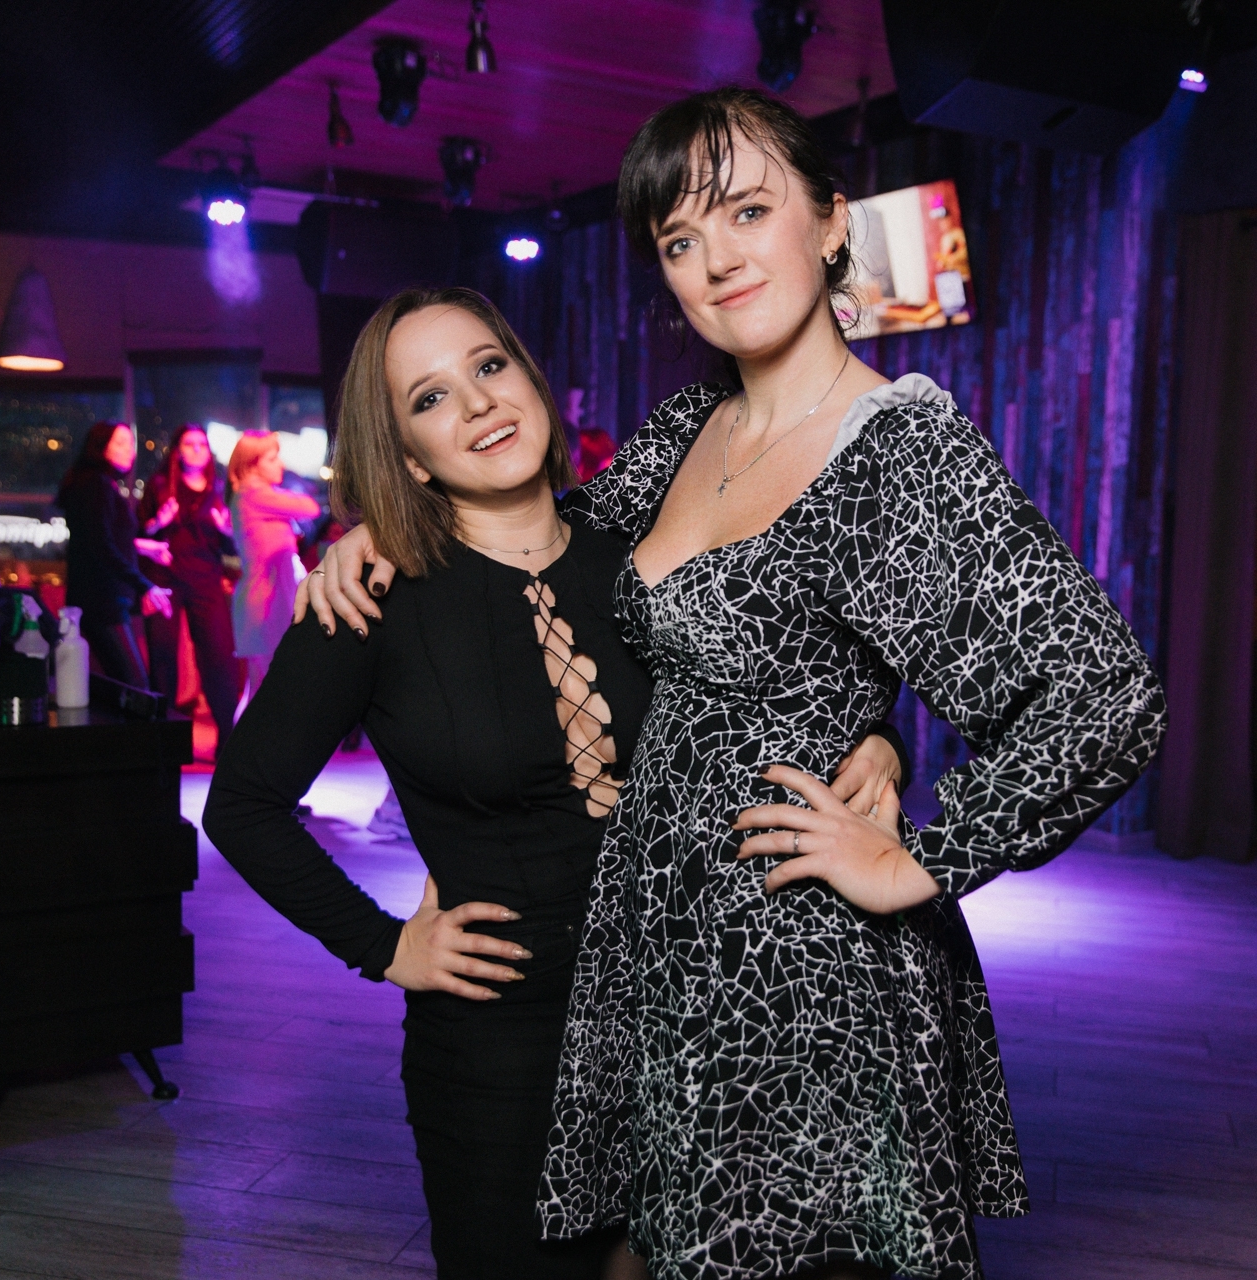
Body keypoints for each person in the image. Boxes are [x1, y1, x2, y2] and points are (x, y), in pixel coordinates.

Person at [304, 89, 1167, 1280]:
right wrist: (387, 529)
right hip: (663, 962)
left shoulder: (902, 451)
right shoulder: (688, 429)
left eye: (749, 211)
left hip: (798, 967)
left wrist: (917, 857)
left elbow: (1105, 697)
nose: (716, 260)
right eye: (680, 239)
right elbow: (553, 546)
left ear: (829, 221)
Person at [206, 285, 912, 1280]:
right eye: (430, 398)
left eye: (489, 366)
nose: (478, 404)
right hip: (505, 1042)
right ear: (410, 456)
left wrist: (877, 739)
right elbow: (241, 805)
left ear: (532, 383)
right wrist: (384, 944)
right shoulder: (373, 602)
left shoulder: (653, 560)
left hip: (693, 1017)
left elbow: (789, 685)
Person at [139, 423, 245, 751]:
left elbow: (233, 548)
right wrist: (158, 523)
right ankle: (163, 742)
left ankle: (227, 740)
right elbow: (139, 535)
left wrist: (227, 532)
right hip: (165, 577)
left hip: (205, 578)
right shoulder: (160, 486)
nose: (197, 449)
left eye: (202, 444)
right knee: (163, 655)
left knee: (218, 655)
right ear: (177, 451)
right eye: (189, 444)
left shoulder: (219, 489)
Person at [57, 421, 171, 687]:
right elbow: (100, 546)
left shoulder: (95, 483)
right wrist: (145, 586)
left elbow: (99, 538)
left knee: (126, 684)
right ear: (100, 447)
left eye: (131, 443)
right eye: (120, 443)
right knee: (135, 686)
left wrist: (142, 547)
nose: (130, 450)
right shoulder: (96, 485)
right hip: (102, 602)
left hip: (99, 599)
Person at [225, 429, 321, 706]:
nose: (280, 464)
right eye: (272, 458)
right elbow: (310, 507)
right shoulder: (253, 494)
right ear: (251, 465)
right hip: (264, 603)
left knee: (263, 690)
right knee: (266, 693)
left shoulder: (255, 495)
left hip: (270, 599)